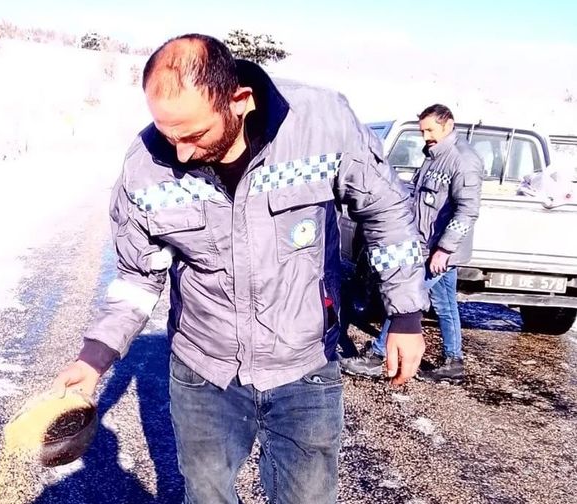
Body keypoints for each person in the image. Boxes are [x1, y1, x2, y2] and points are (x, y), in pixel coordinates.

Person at [50, 34, 427, 503]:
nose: (181, 153)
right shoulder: (144, 167)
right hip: (205, 372)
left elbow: (388, 212)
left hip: (303, 365)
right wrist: (95, 357)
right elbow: (136, 276)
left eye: (194, 135)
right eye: (169, 135)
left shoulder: (321, 124)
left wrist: (406, 315)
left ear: (240, 100)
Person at [341, 104, 483, 383]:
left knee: (407, 299)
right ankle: (454, 361)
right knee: (444, 304)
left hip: (438, 249)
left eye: (430, 130)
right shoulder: (434, 155)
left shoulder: (463, 160)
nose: (425, 136)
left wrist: (444, 249)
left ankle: (378, 355)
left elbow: (467, 210)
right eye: (422, 131)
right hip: (425, 244)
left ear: (448, 125)